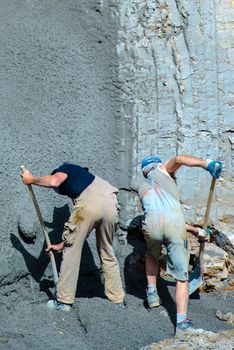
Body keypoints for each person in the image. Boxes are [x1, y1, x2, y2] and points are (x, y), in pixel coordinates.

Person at [21, 162, 125, 311]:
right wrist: (61, 244)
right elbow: (77, 232)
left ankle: (63, 302)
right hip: (111, 204)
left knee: (72, 252)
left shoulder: (65, 168)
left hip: (89, 204)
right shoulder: (87, 179)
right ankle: (117, 300)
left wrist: (31, 180)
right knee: (107, 252)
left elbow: (53, 181)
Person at [138, 155, 222, 336]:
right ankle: (182, 323)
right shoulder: (162, 171)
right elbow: (179, 158)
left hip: (152, 226)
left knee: (151, 254)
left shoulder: (143, 187)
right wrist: (207, 164)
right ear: (157, 166)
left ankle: (152, 294)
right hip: (174, 226)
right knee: (181, 278)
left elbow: (161, 216)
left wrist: (195, 231)